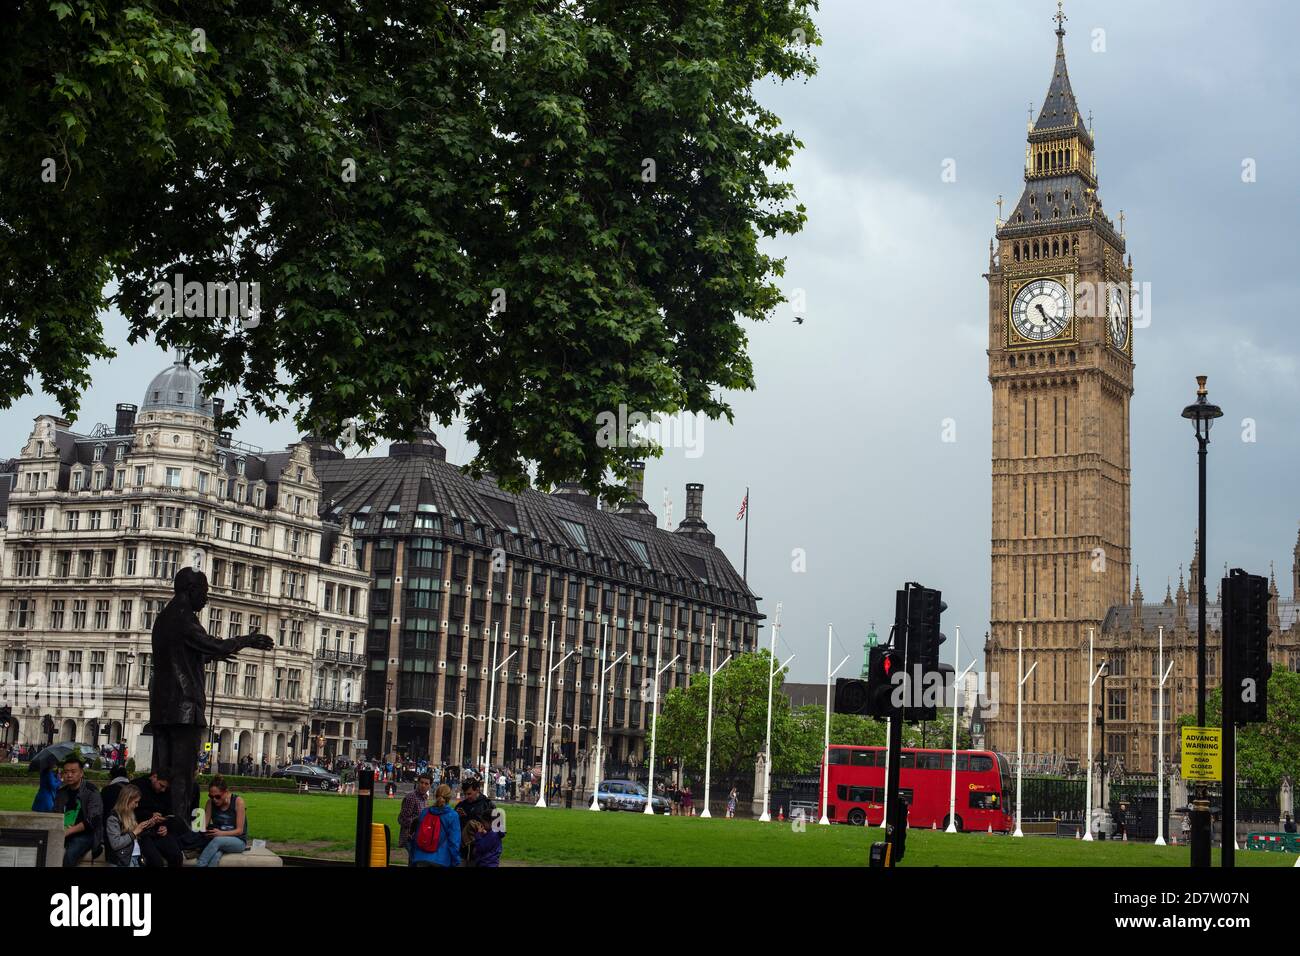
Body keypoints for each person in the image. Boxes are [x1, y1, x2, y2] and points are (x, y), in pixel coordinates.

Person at [150, 567, 274, 822]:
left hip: (163, 707)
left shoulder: (164, 618)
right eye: (204, 592)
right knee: (184, 776)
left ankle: (165, 824)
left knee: (164, 773)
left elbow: (187, 655)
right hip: (184, 707)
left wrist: (214, 654)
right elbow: (210, 644)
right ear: (191, 590)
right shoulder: (185, 618)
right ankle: (181, 830)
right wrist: (247, 640)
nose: (206, 599)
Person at [51, 755, 103, 867]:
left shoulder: (91, 791)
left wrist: (69, 831)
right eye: (66, 772)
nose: (69, 775)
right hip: (62, 831)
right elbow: (55, 814)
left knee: (70, 854)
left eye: (73, 771)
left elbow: (94, 820)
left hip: (85, 834)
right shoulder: (61, 793)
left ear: (81, 773)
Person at [128, 771, 186, 867]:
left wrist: (165, 826)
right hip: (141, 832)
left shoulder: (166, 791)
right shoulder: (137, 785)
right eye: (161, 785)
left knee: (176, 856)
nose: (163, 790)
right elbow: (129, 811)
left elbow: (170, 814)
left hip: (159, 831)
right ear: (154, 777)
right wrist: (150, 815)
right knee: (155, 861)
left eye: (165, 788)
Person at [196, 775, 249, 867]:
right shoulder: (210, 803)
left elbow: (239, 831)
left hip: (238, 841)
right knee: (216, 855)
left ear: (226, 792)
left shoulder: (238, 802)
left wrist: (220, 833)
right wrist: (199, 824)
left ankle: (200, 865)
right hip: (218, 839)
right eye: (211, 796)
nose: (214, 799)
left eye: (217, 796)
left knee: (217, 841)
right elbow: (203, 825)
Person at [104, 785, 161, 867]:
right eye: (136, 802)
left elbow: (134, 837)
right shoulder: (113, 818)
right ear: (127, 800)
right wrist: (135, 832)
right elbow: (116, 843)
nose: (137, 805)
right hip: (122, 861)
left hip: (135, 858)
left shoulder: (130, 814)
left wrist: (147, 826)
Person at [409, 784, 460, 867]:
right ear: (449, 797)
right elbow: (454, 842)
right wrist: (455, 861)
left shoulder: (425, 812)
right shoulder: (452, 815)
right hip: (441, 859)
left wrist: (414, 855)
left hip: (421, 857)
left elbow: (417, 836)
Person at [398, 773, 433, 864]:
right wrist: (418, 823)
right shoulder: (411, 797)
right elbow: (403, 819)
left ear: (430, 786)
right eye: (421, 782)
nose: (423, 785)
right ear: (418, 783)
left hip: (419, 836)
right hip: (410, 837)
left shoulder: (424, 798)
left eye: (426, 784)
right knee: (417, 861)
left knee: (414, 862)